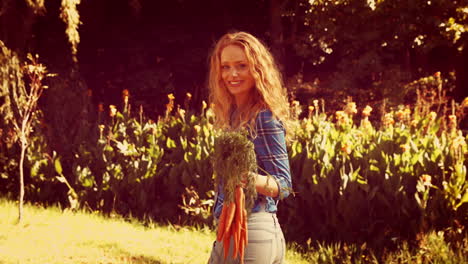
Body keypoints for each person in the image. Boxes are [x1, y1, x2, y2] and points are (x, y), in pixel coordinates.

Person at [207, 31, 293, 264]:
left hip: (254, 231)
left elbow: (284, 185)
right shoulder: (234, 114)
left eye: (241, 66)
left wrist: (248, 178)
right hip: (232, 227)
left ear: (257, 69)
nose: (232, 74)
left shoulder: (263, 117)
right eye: (225, 67)